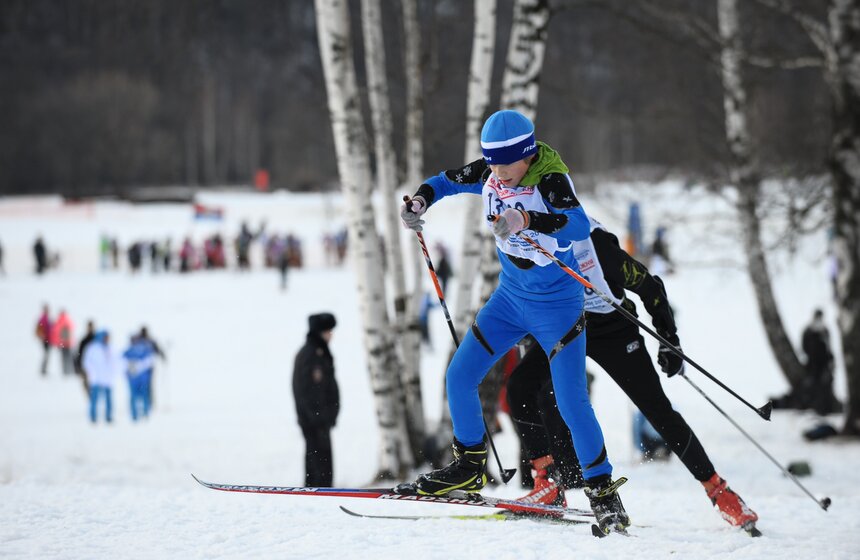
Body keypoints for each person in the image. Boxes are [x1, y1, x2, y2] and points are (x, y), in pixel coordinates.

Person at [398, 109, 628, 533]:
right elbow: (447, 180)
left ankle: (602, 491)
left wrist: (526, 218)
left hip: (558, 308)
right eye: (491, 162)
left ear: (526, 155)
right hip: (509, 300)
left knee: (572, 402)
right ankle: (468, 465)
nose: (498, 172)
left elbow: (577, 225)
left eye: (506, 163)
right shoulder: (491, 170)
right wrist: (419, 200)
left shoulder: (550, 179)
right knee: (459, 377)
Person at [504, 217, 758, 530]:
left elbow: (651, 287)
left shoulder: (598, 248)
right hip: (567, 327)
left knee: (657, 410)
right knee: (520, 386)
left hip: (614, 331)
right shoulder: (530, 243)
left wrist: (670, 342)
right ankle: (547, 483)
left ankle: (719, 491)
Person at [293, 313, 340, 487]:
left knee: (322, 460)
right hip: (314, 421)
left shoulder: (320, 353)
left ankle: (320, 489)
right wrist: (319, 417)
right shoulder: (310, 355)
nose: (331, 335)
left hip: (322, 420)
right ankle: (318, 491)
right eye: (328, 331)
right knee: (318, 461)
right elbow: (306, 392)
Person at [82, 330, 119, 424]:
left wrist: (114, 373)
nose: (107, 339)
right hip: (96, 378)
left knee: (109, 399)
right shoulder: (93, 348)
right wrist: (92, 374)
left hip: (108, 378)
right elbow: (87, 362)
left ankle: (108, 416)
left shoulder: (110, 348)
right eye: (105, 337)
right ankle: (93, 417)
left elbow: (116, 362)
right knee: (94, 399)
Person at [123, 335, 155, 421]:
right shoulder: (128, 351)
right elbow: (122, 362)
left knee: (144, 395)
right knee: (133, 396)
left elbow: (149, 361)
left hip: (143, 378)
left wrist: (138, 366)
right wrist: (128, 369)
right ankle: (134, 414)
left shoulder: (144, 350)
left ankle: (145, 413)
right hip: (133, 379)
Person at [137, 326, 166, 408]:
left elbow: (158, 350)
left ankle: (149, 403)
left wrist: (163, 356)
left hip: (149, 367)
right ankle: (141, 402)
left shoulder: (150, 341)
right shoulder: (138, 341)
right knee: (140, 386)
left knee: (149, 385)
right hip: (139, 368)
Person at [75, 320, 97, 395]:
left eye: (91, 327)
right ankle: (90, 399)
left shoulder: (97, 340)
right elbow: (79, 353)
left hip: (96, 366)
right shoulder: (84, 340)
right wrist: (78, 365)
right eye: (89, 327)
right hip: (85, 366)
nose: (90, 328)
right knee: (86, 384)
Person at [51, 309, 76, 375]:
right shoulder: (68, 320)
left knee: (64, 358)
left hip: (62, 343)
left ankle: (65, 371)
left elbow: (55, 333)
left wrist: (57, 342)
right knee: (68, 358)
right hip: (68, 343)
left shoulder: (59, 321)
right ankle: (69, 370)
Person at [35, 305, 52, 375]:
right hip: (45, 340)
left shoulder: (46, 318)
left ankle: (44, 369)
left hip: (48, 339)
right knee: (46, 355)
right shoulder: (43, 319)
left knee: (46, 355)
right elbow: (39, 329)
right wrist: (43, 336)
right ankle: (43, 369)